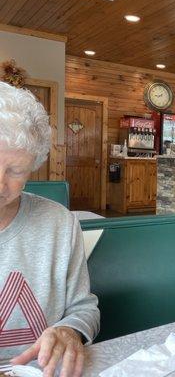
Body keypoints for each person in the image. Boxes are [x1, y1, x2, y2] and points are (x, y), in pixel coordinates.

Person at [0, 82, 99, 377]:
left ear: (33, 168)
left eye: (15, 170)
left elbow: (84, 307)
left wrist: (70, 330)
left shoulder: (59, 223)